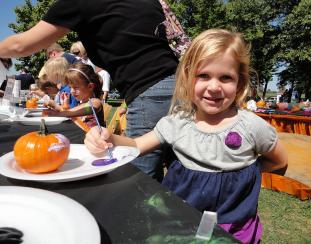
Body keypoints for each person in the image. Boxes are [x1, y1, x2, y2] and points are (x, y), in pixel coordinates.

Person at [84, 29, 288, 243]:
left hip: (234, 228)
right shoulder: (177, 122)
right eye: (203, 75)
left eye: (226, 77)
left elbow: (279, 161)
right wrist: (109, 137)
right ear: (188, 77)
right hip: (179, 223)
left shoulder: (252, 127)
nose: (214, 86)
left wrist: (243, 172)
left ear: (239, 83)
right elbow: (136, 144)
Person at [0, 0, 179, 181]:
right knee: (182, 174)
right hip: (182, 86)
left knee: (139, 180)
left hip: (148, 90)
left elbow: (19, 45)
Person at [43, 63, 105, 131]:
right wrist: (57, 107)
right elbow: (74, 114)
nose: (72, 91)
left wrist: (59, 113)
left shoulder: (95, 102)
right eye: (70, 87)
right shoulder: (82, 103)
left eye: (75, 87)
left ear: (90, 87)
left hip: (95, 140)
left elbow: (89, 108)